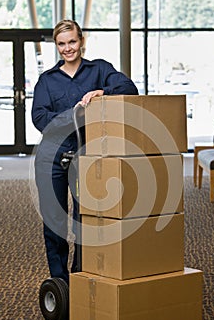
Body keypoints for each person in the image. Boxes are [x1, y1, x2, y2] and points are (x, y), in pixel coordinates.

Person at [31, 19, 139, 285]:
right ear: (56, 46)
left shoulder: (99, 69)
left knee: (86, 218)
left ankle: (80, 275)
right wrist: (78, 114)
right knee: (54, 220)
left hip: (87, 156)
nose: (68, 48)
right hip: (51, 157)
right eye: (61, 44)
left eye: (72, 42)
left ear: (81, 41)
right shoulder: (47, 80)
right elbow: (40, 118)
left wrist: (103, 92)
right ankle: (60, 281)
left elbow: (129, 89)